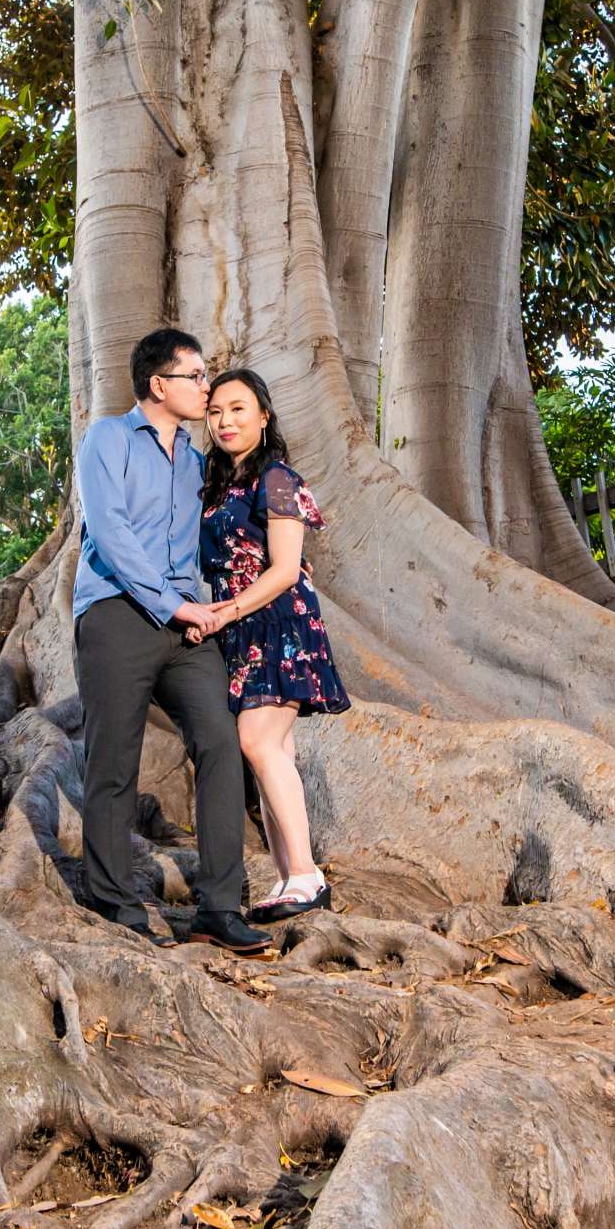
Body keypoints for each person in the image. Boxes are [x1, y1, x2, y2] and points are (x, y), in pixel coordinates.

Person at [72, 329, 271, 955]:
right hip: (116, 613)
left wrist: (255, 575)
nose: (207, 388)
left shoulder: (195, 460)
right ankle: (113, 902)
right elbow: (109, 533)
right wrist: (173, 603)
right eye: (197, 377)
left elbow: (219, 532)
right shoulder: (106, 439)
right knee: (113, 761)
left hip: (188, 624)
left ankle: (218, 905)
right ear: (160, 385)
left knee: (220, 741)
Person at [194, 367, 350, 921]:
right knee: (271, 751)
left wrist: (223, 614)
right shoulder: (216, 485)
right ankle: (290, 877)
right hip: (239, 627)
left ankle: (307, 875)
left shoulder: (277, 478)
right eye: (214, 412)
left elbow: (285, 570)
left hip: (278, 621)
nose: (225, 421)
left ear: (263, 414)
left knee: (258, 742)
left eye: (238, 409)